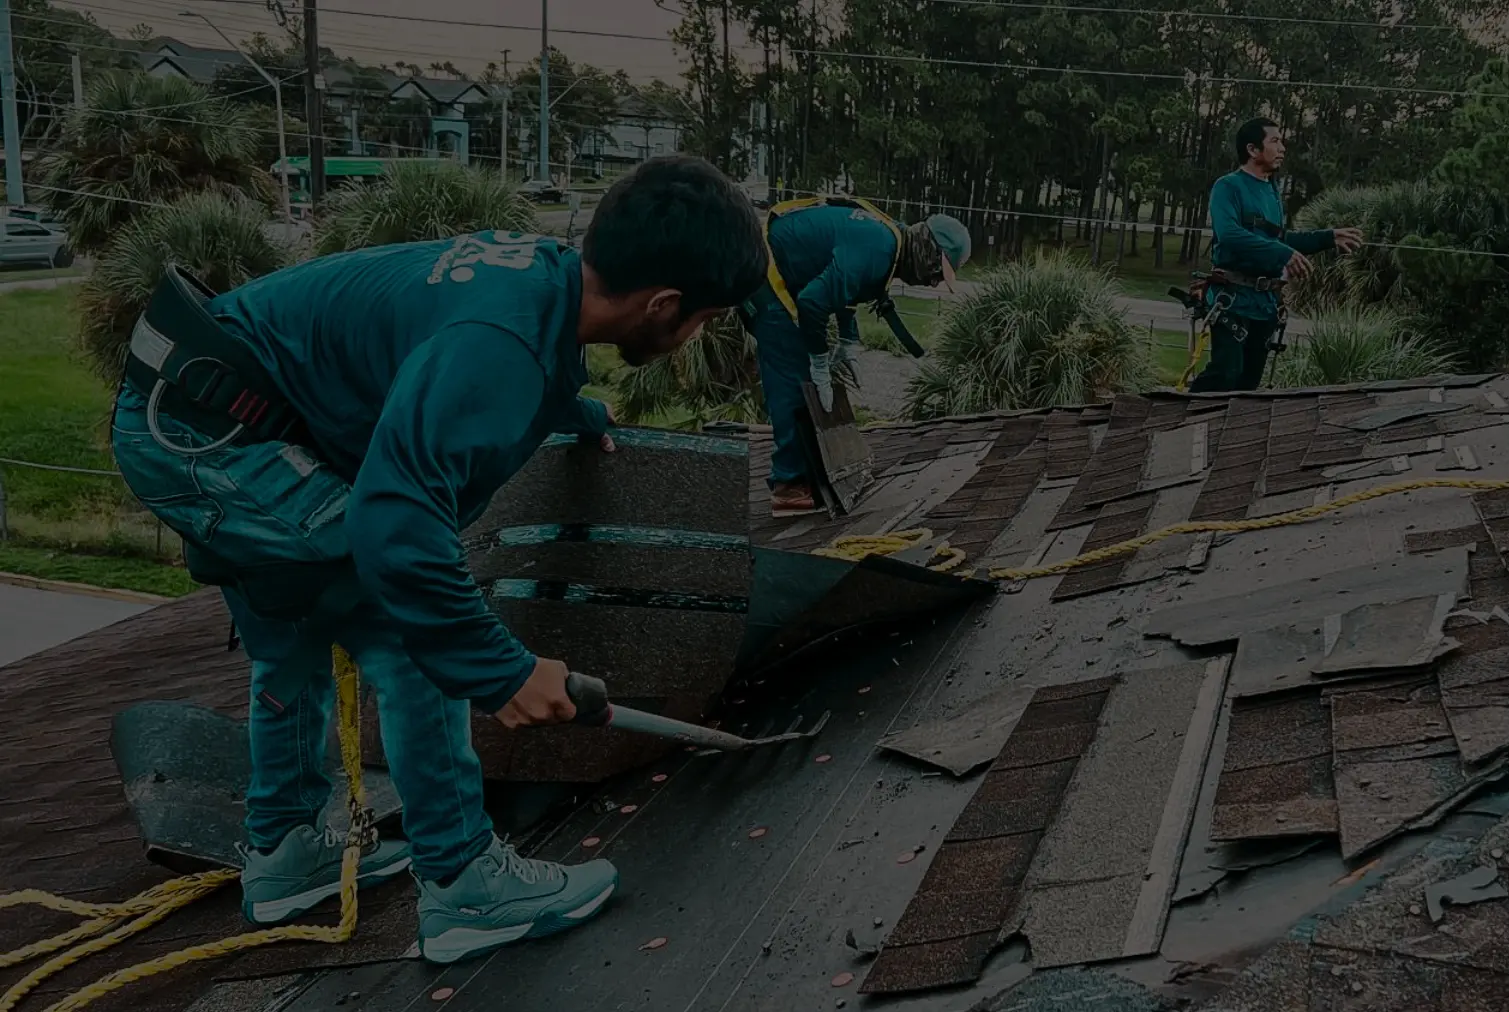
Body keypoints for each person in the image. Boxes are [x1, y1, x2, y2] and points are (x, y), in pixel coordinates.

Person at [108, 155, 767, 964]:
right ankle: (464, 885)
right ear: (664, 303)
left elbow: (458, 358)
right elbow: (398, 527)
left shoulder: (541, 280)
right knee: (403, 627)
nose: (696, 333)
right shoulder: (498, 346)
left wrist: (567, 405)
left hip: (205, 403)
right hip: (214, 436)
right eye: (703, 318)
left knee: (294, 628)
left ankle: (284, 854)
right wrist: (503, 671)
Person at [742, 200, 971, 516]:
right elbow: (812, 302)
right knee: (794, 379)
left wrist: (849, 340)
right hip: (765, 274)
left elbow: (845, 284)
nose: (932, 282)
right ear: (927, 251)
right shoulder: (878, 250)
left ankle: (801, 472)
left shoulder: (888, 242)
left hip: (786, 266)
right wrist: (820, 362)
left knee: (801, 374)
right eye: (936, 272)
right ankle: (789, 486)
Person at [1194, 117, 1363, 392]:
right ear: (1252, 149)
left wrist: (1328, 237)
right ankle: (1180, 423)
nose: (1282, 147)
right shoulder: (1228, 187)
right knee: (1225, 375)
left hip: (1265, 305)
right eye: (1275, 141)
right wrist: (1281, 252)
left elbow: (1279, 239)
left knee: (1248, 385)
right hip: (1232, 300)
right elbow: (1230, 235)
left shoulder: (1272, 191)